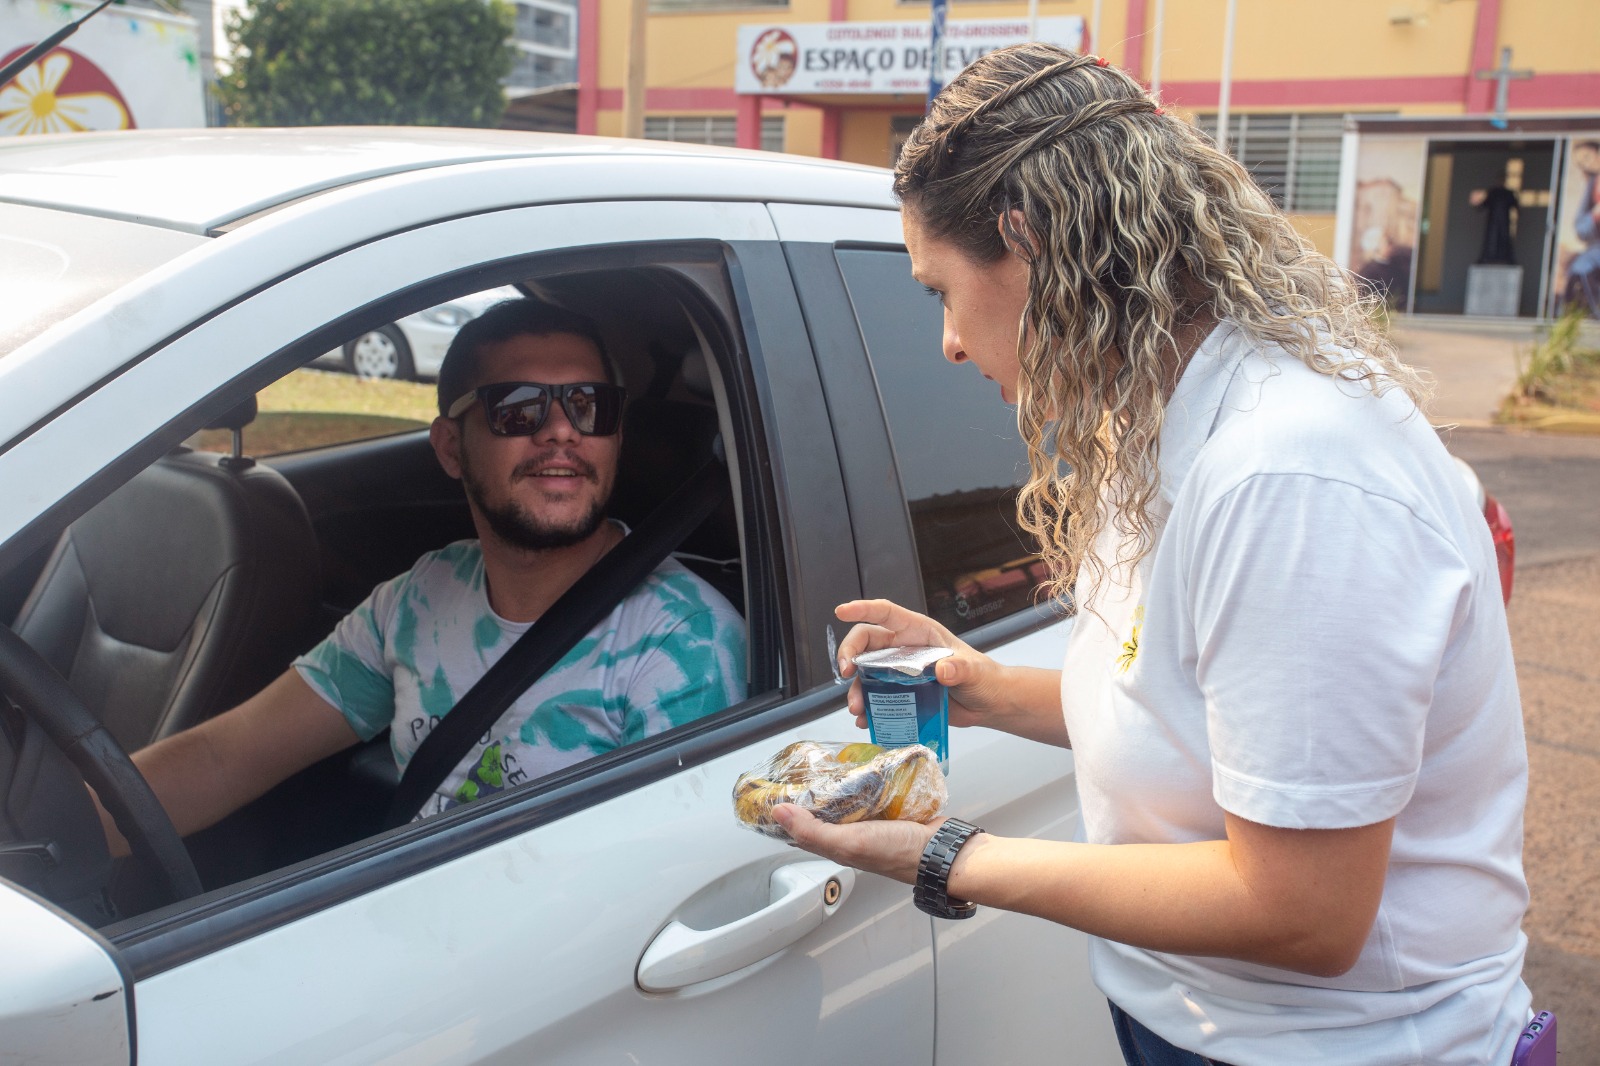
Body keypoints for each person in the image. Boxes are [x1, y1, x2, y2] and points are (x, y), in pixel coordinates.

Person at [776, 44, 1531, 1066]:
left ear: (1029, 244)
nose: (948, 341)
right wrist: (981, 684)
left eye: (938, 291)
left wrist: (950, 856)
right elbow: (1181, 707)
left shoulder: (1284, 476)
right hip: (1203, 1027)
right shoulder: (1162, 420)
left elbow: (1301, 909)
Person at [101, 298, 747, 848]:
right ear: (449, 448)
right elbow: (229, 756)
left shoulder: (683, 649)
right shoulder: (421, 600)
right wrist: (72, 827)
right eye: (518, 408)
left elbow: (668, 896)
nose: (561, 432)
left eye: (589, 406)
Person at [1565, 140, 1600, 313]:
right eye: (1581, 162)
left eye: (1587, 157)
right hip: (1596, 247)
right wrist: (1594, 215)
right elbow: (1580, 227)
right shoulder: (1592, 185)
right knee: (1579, 269)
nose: (1585, 164)